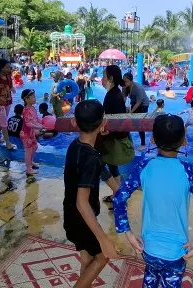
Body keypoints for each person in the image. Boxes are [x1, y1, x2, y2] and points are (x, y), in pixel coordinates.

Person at [112, 114, 193, 288]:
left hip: (148, 248)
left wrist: (128, 233)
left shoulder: (144, 167)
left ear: (152, 139)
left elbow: (119, 198)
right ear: (184, 141)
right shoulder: (189, 171)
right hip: (176, 252)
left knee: (150, 278)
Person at [63, 100, 118, 287]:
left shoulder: (74, 146)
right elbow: (82, 202)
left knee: (87, 257)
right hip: (82, 219)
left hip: (70, 216)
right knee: (102, 257)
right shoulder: (91, 158)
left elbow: (100, 168)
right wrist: (104, 239)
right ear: (102, 123)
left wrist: (117, 189)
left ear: (74, 123)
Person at [97, 65, 134, 206]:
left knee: (98, 163)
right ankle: (115, 195)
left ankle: (118, 193)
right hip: (115, 137)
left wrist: (106, 131)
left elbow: (114, 121)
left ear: (110, 78)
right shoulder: (116, 93)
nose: (102, 79)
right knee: (112, 165)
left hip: (113, 140)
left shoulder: (112, 96)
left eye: (104, 76)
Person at [20, 89, 45, 174]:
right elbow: (28, 123)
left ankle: (31, 162)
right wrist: (38, 126)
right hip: (26, 134)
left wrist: (41, 123)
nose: (35, 98)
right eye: (33, 97)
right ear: (27, 99)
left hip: (31, 133)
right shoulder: (26, 110)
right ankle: (28, 169)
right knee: (28, 150)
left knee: (35, 147)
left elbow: (36, 119)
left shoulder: (33, 108)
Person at [124, 72, 149, 151]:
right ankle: (127, 141)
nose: (124, 82)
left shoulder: (137, 88)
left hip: (143, 104)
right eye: (123, 81)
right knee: (129, 122)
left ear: (131, 81)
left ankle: (143, 144)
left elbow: (139, 102)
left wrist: (131, 112)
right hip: (135, 103)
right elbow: (123, 98)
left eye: (126, 81)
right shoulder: (126, 87)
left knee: (139, 123)